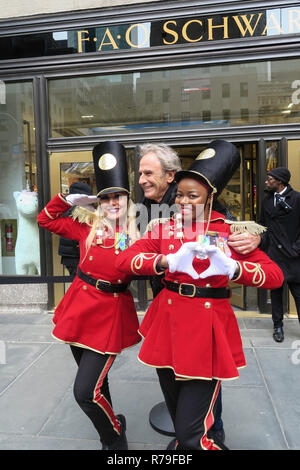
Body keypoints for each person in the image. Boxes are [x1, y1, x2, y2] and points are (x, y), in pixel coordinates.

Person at [116, 140, 284, 450]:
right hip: (166, 324)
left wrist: (234, 268)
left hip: (206, 331)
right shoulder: (162, 228)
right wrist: (165, 261)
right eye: (180, 195)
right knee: (181, 419)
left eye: (193, 196)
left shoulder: (229, 231)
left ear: (210, 197)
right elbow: (124, 259)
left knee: (193, 432)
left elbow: (274, 277)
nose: (183, 202)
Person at [37, 141, 141, 450]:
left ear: (127, 199)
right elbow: (45, 219)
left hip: (109, 314)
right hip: (79, 308)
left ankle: (114, 437)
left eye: (117, 196)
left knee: (84, 392)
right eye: (106, 197)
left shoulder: (140, 233)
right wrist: (66, 199)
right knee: (97, 384)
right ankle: (109, 431)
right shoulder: (87, 226)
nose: (112, 202)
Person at [259, 167, 300, 343]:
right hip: (273, 255)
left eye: (269, 179)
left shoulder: (297, 199)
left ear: (280, 181)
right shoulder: (267, 200)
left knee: (298, 295)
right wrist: (263, 248)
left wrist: (296, 248)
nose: (266, 182)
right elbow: (261, 225)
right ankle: (278, 327)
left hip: (293, 257)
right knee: (275, 294)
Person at [58, 181, 92, 279]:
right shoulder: (76, 211)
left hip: (70, 255)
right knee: (79, 282)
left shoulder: (66, 208)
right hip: (75, 255)